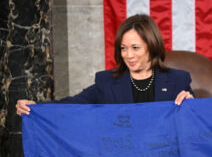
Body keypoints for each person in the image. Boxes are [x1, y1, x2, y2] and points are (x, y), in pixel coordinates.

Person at [16, 14, 194, 115]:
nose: (128, 55)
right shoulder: (106, 81)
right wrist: (35, 107)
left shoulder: (178, 80)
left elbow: (200, 119)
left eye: (135, 47)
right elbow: (73, 104)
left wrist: (192, 105)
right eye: (123, 48)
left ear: (152, 47)